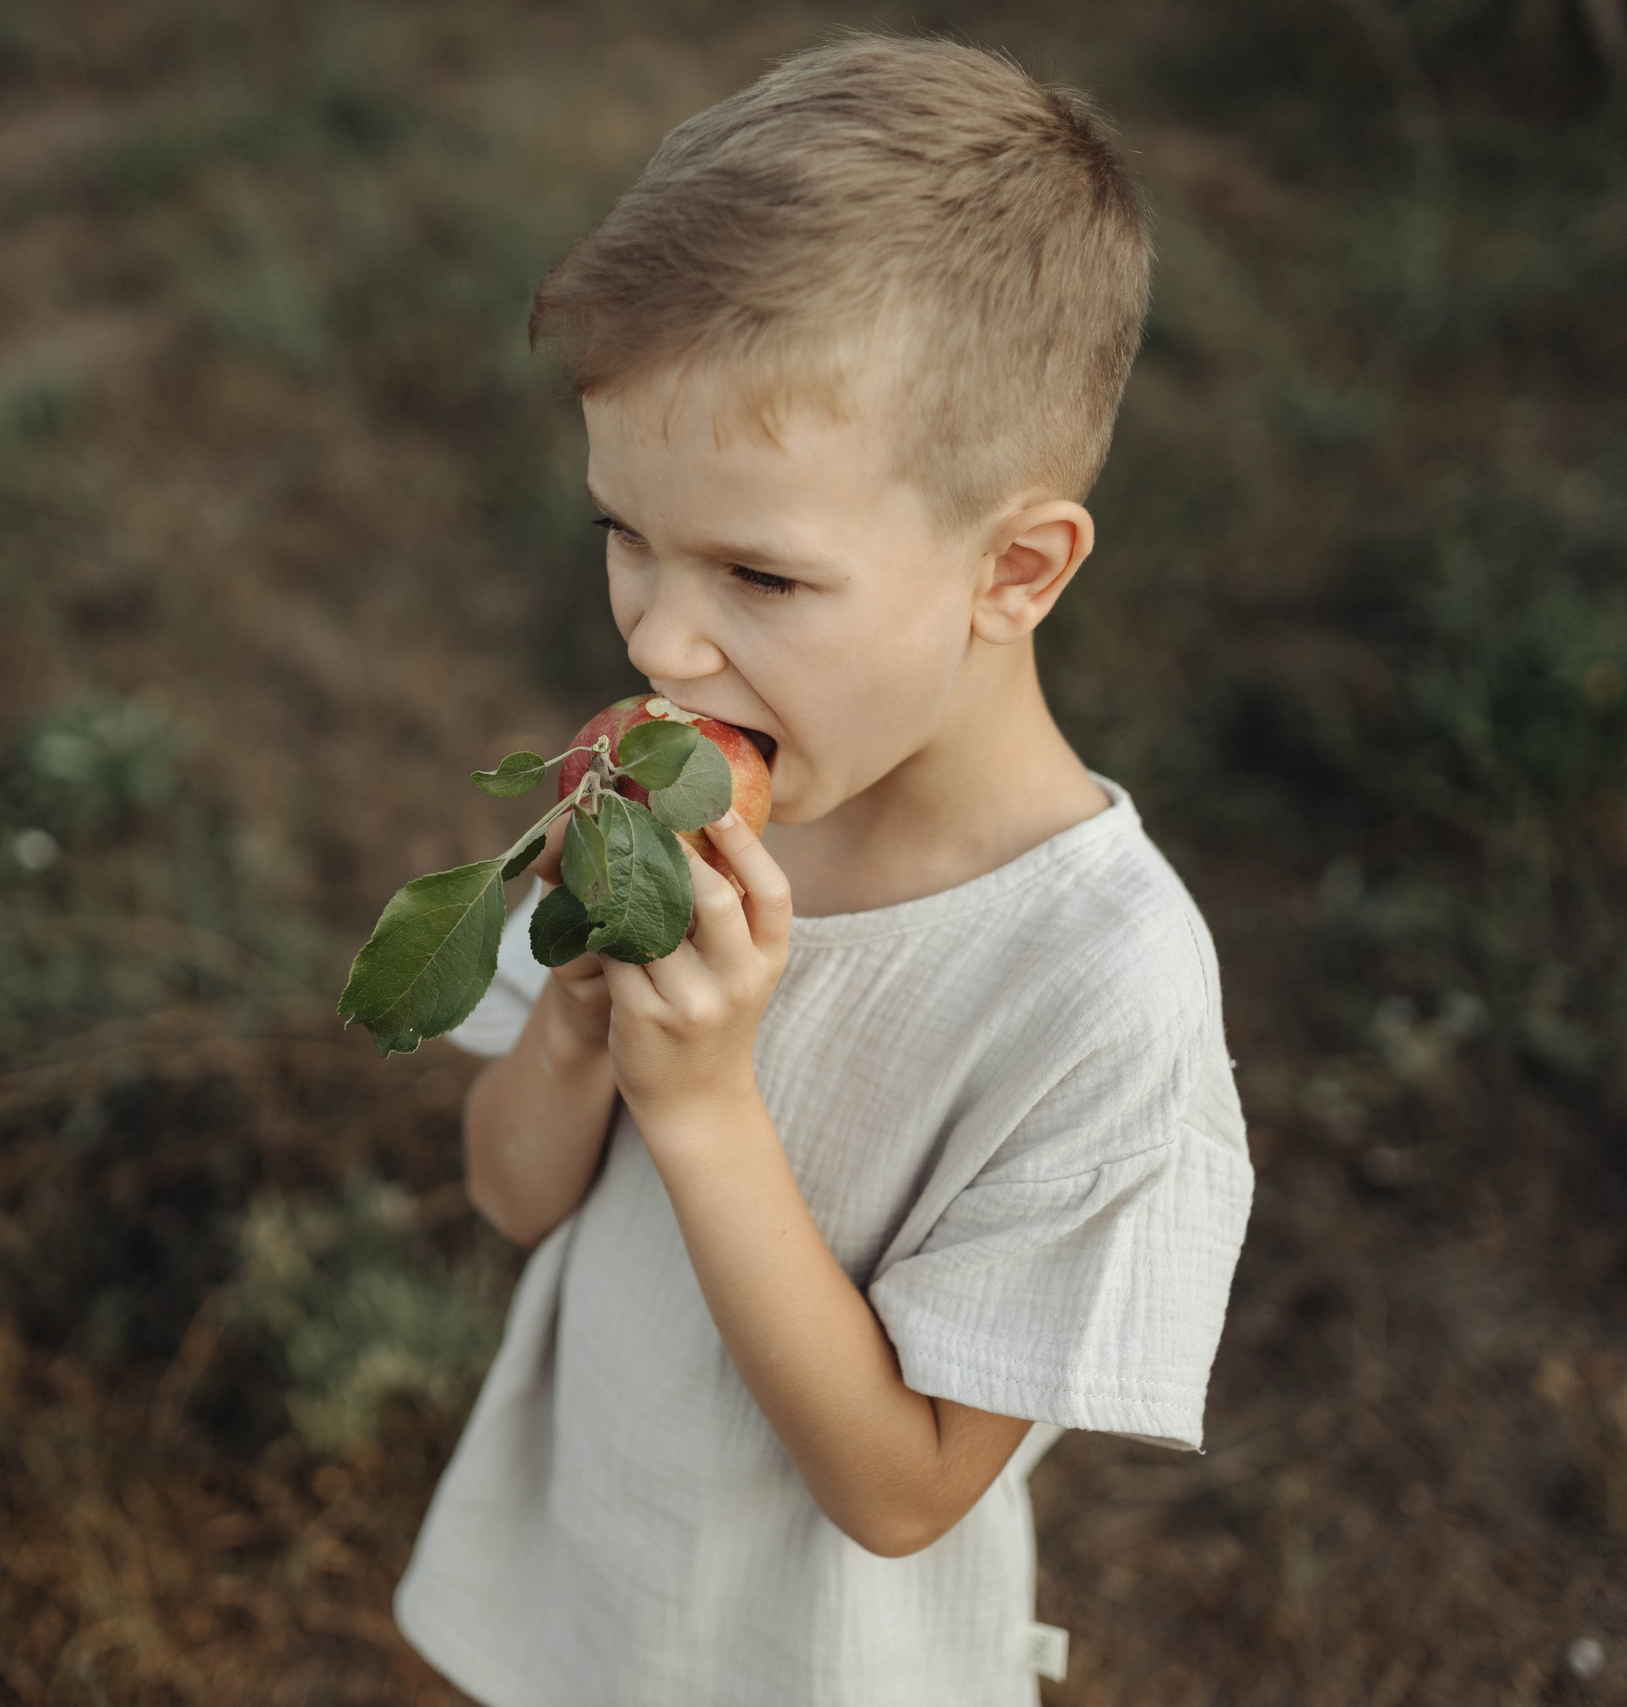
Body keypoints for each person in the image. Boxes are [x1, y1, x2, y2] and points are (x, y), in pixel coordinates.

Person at [391, 31, 1253, 1706]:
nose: (660, 639)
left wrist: (706, 1102)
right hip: (589, 1606)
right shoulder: (662, 808)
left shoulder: (1099, 989)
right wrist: (580, 1020)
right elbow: (511, 1196)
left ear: (1015, 570)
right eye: (624, 535)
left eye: (761, 578)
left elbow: (902, 1493)